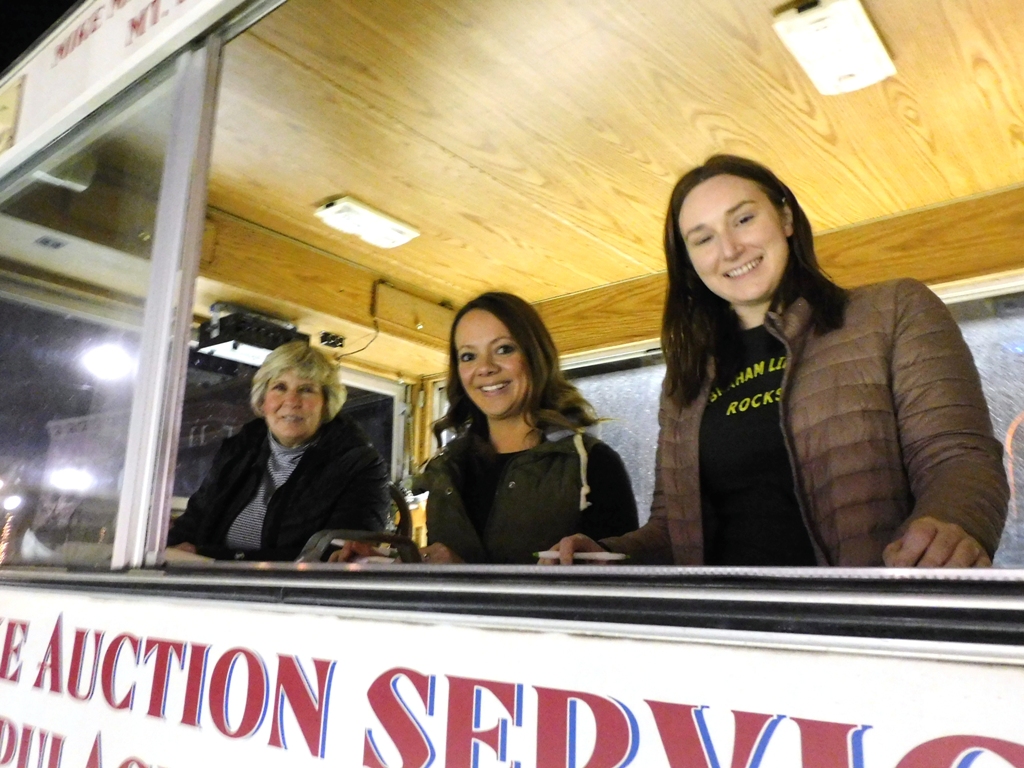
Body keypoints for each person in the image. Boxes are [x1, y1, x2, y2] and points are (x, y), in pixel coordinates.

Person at [550, 154, 1008, 568]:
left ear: (785, 218)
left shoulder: (892, 310)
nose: (730, 249)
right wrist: (608, 552)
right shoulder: (685, 379)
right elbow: (675, 527)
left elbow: (957, 457)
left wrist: (952, 523)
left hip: (865, 615)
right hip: (728, 620)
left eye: (743, 219)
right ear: (689, 262)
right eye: (703, 239)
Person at [413, 291, 638, 564]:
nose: (485, 368)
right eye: (468, 356)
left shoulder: (593, 463)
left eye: (504, 349)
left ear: (535, 356)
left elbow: (622, 582)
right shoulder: (446, 469)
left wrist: (467, 575)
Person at [167, 341, 390, 560]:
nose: (291, 401)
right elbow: (192, 523)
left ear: (325, 404)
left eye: (306, 389)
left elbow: (339, 556)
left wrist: (212, 555)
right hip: (208, 579)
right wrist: (163, 548)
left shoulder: (359, 465)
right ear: (263, 400)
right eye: (280, 387)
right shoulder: (238, 451)